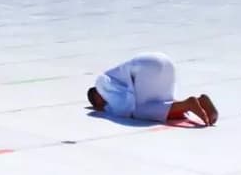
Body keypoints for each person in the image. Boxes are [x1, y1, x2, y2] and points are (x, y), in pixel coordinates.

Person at [87, 53, 218, 127]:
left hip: (147, 68)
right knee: (162, 104)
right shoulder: (114, 75)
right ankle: (200, 102)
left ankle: (188, 104)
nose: (103, 104)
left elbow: (125, 109)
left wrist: (106, 109)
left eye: (98, 103)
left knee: (141, 112)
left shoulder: (101, 83)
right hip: (165, 63)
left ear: (96, 95)